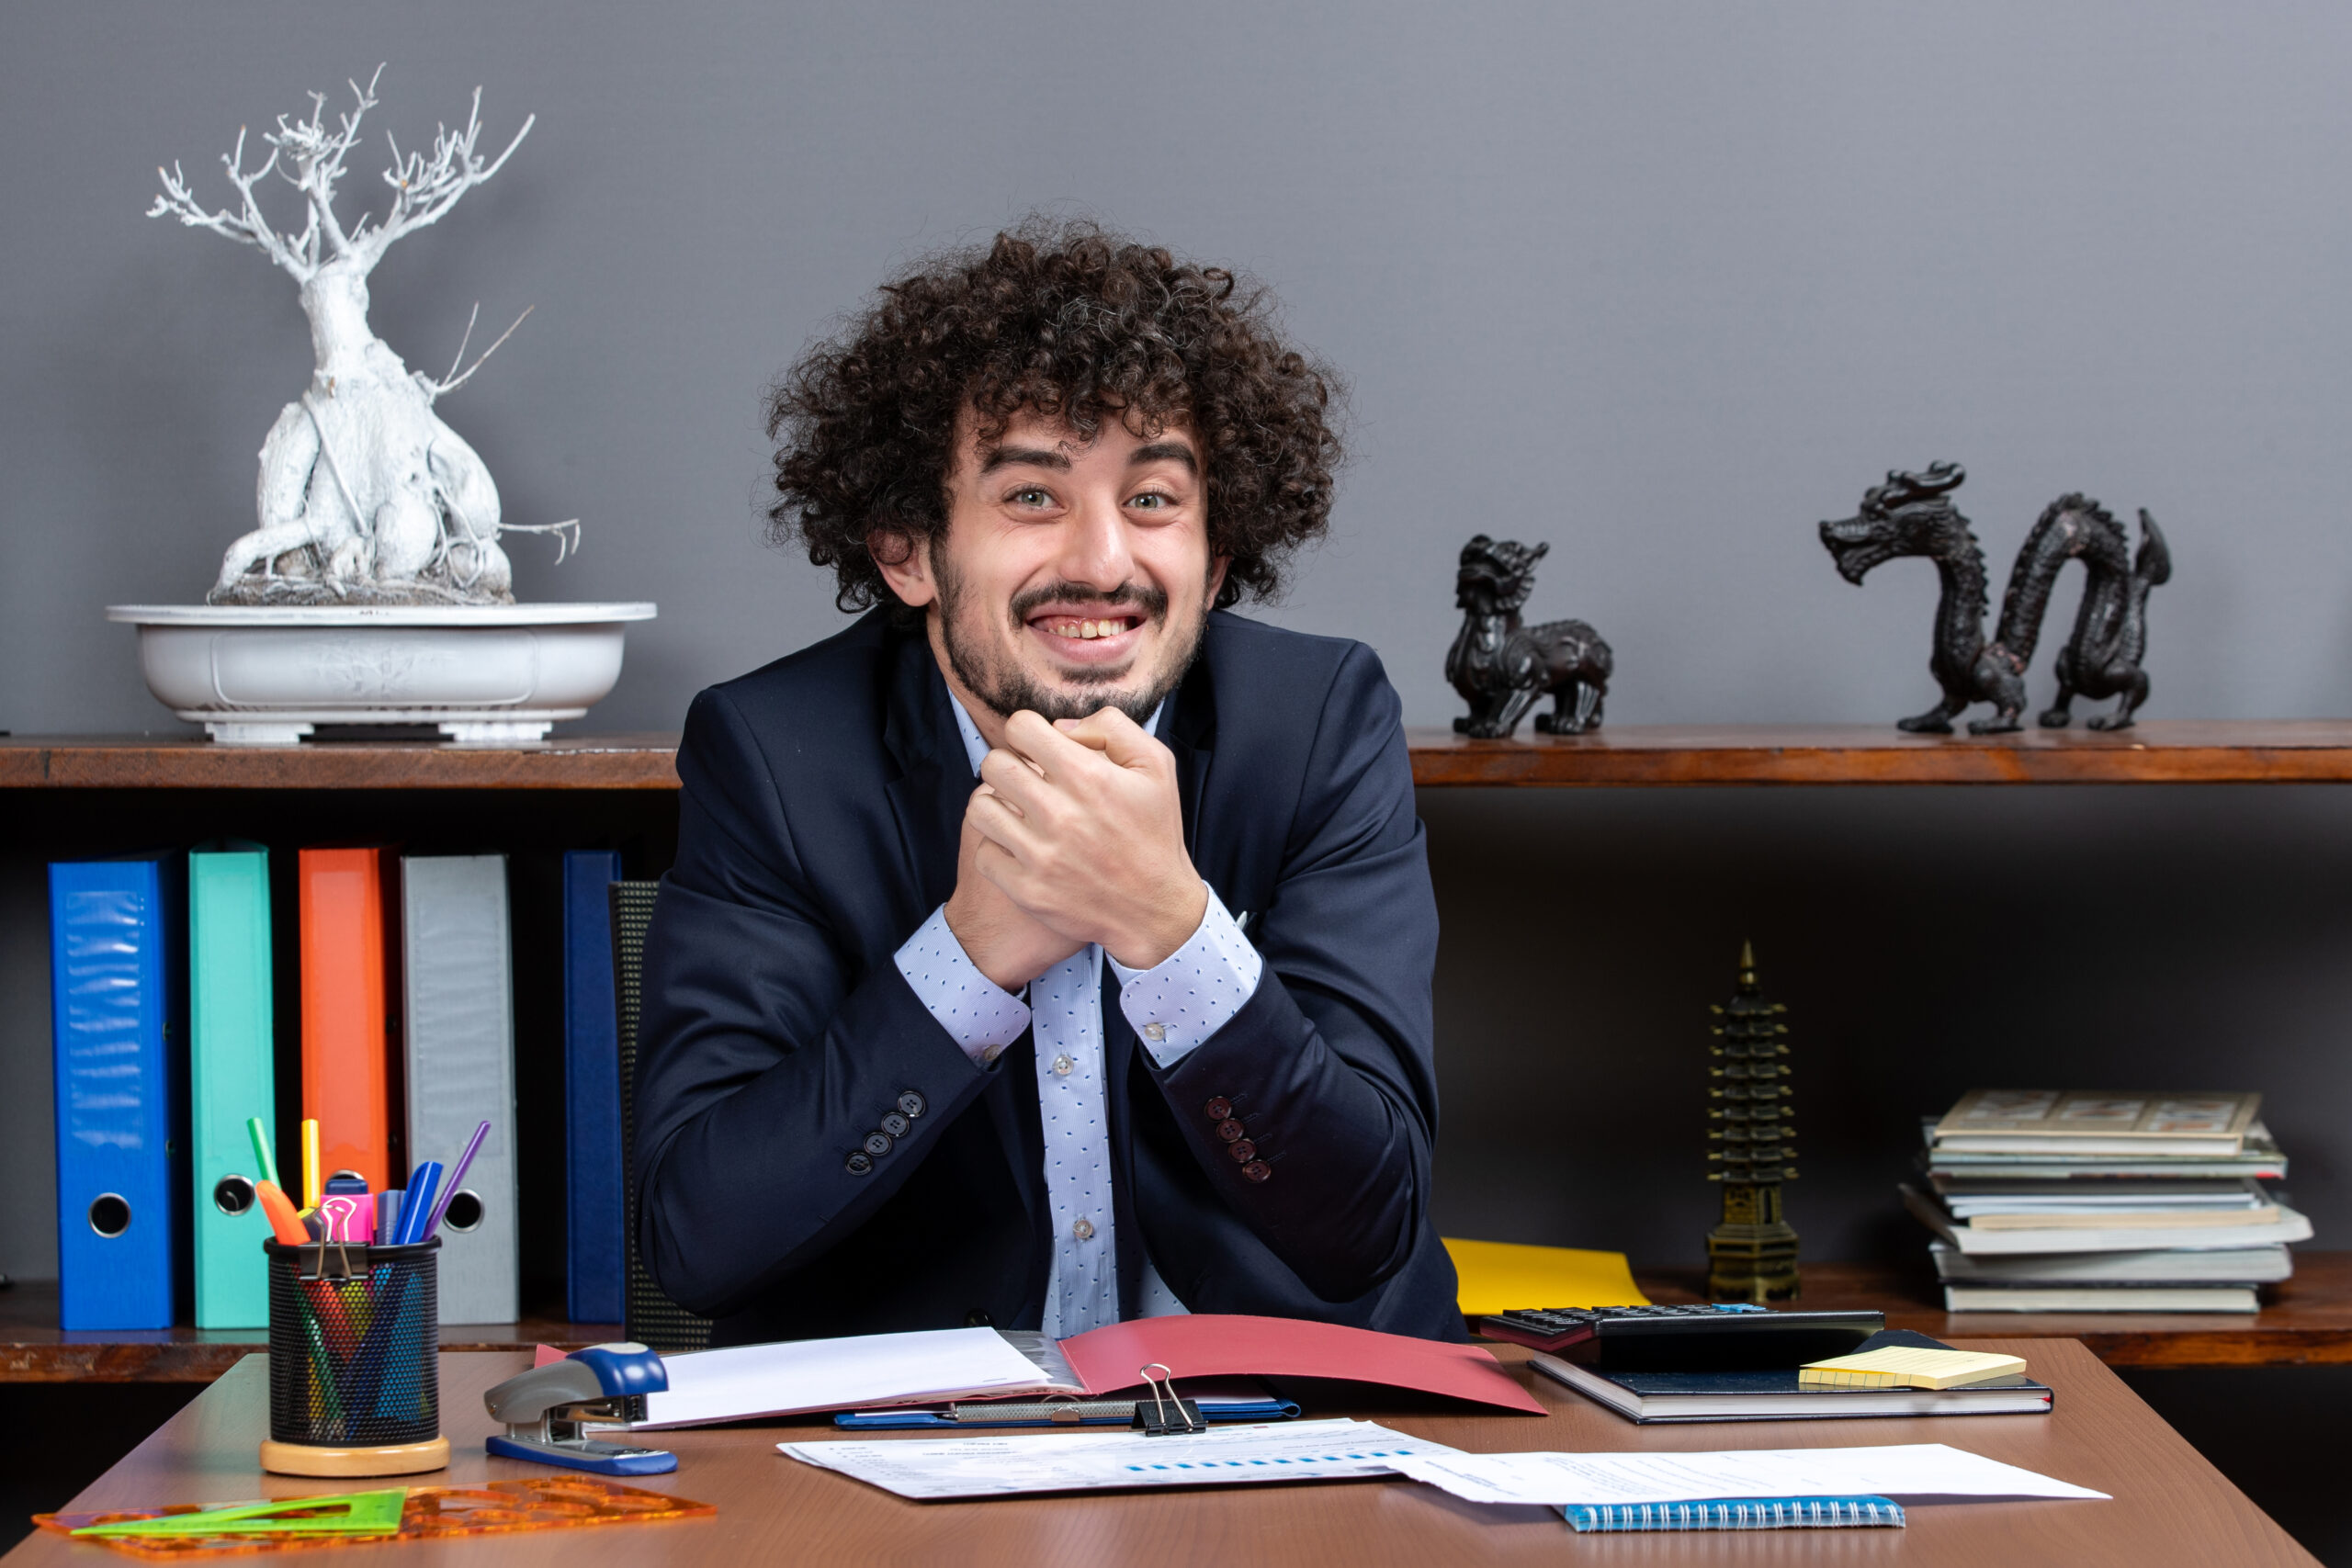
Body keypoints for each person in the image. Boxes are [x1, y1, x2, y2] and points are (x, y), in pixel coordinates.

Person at [633, 220, 1459, 1347]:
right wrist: (968, 957)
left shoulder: (1318, 726)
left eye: (1154, 500)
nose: (1102, 562)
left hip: (1289, 1432)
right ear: (907, 548)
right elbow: (700, 1240)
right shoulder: (773, 753)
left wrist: (1171, 931)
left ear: (1216, 558)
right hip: (923, 1454)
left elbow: (1369, 1225)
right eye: (1032, 497)